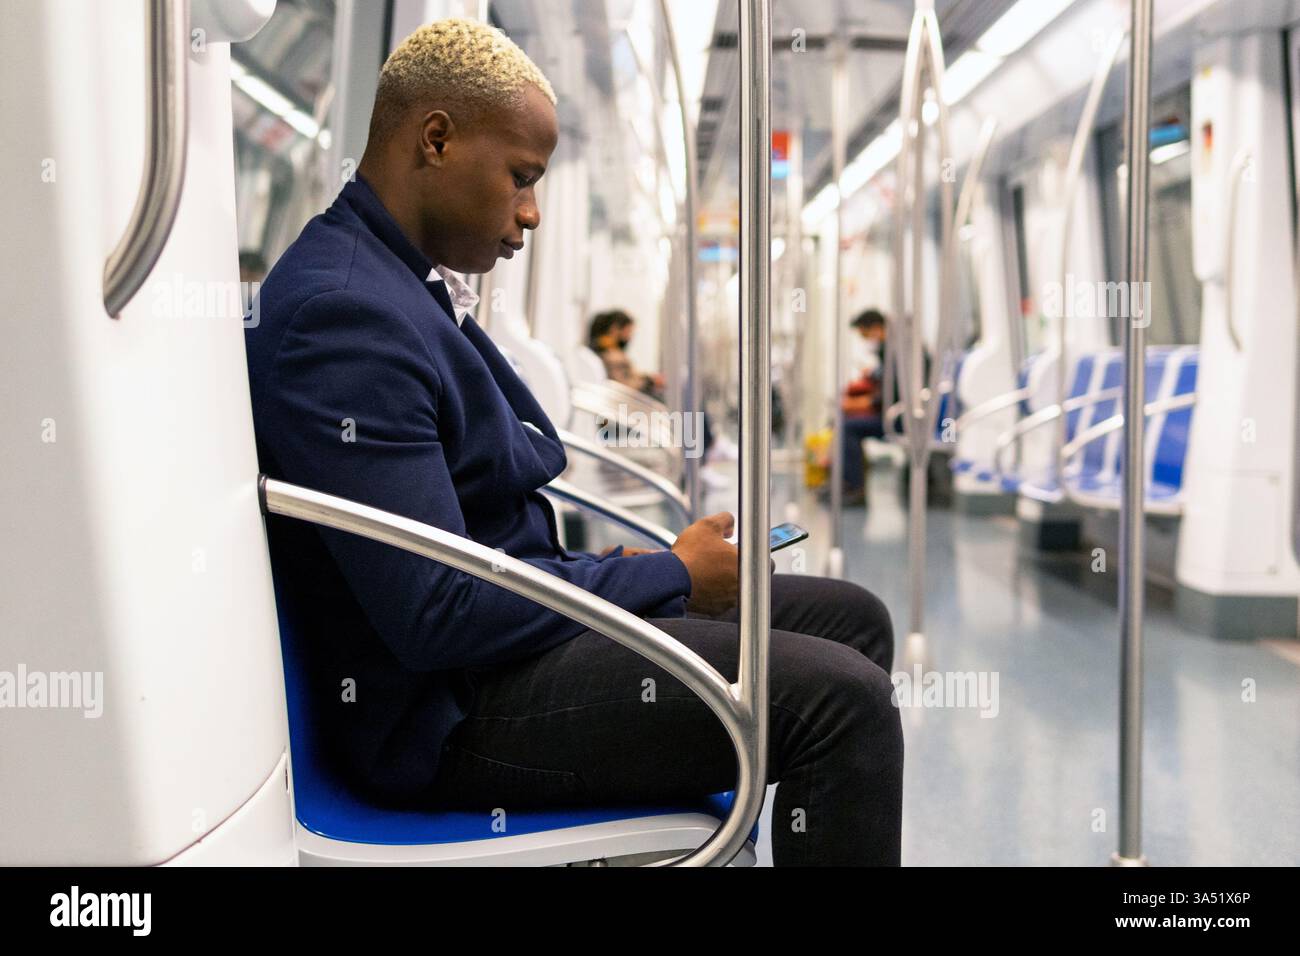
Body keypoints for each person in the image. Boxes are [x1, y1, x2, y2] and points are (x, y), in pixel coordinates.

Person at [244, 17, 901, 866]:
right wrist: (661, 577)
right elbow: (436, 614)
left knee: (853, 620)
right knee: (841, 702)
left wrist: (619, 578)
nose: (532, 212)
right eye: (521, 177)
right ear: (435, 140)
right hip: (456, 714)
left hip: (510, 640)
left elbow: (476, 540)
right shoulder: (344, 315)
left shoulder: (399, 286)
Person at [839, 309, 889, 506]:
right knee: (842, 421)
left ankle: (855, 488)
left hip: (897, 418)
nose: (865, 340)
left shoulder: (895, 351)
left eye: (865, 335)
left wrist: (863, 403)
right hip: (889, 411)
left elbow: (895, 394)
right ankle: (844, 481)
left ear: (876, 329)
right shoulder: (890, 349)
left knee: (847, 427)